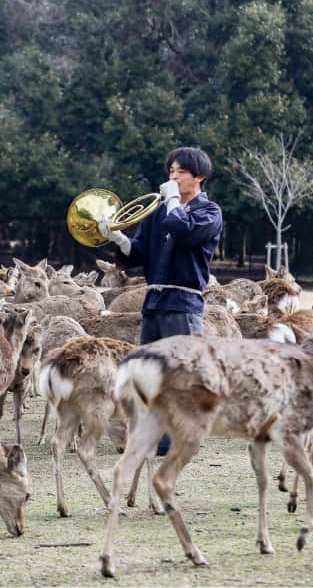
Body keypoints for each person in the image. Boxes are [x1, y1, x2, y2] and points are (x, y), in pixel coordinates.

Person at [98, 146, 223, 454]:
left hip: (183, 303)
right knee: (150, 375)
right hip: (154, 303)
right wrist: (117, 237)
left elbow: (184, 232)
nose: (173, 176)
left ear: (199, 177)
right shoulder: (157, 213)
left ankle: (181, 440)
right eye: (171, 171)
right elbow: (138, 253)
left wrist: (172, 202)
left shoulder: (209, 212)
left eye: (181, 171)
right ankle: (154, 441)